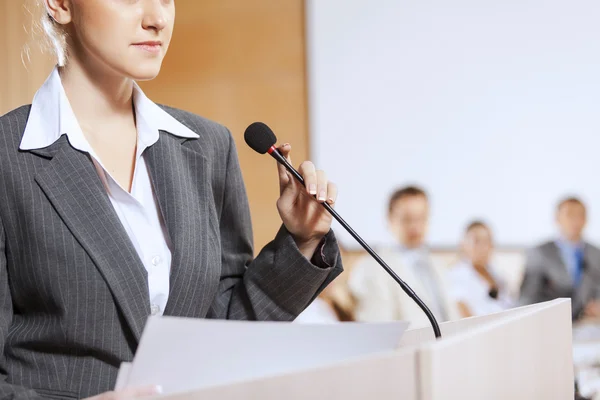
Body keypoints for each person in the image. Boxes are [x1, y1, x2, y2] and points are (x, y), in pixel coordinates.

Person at [0, 1, 343, 398]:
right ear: (60, 5)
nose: (157, 19)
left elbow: (220, 331)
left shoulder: (209, 147)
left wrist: (301, 240)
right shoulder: (9, 158)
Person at [347, 186, 459, 327]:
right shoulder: (371, 268)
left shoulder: (437, 264)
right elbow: (379, 330)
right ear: (390, 219)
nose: (415, 227)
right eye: (407, 219)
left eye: (421, 218)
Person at [519, 197, 600, 320]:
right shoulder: (540, 253)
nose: (576, 220)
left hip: (588, 326)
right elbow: (526, 299)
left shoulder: (595, 253)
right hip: (549, 323)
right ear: (557, 218)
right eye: (570, 215)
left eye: (581, 215)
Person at [447, 221, 513, 318]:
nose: (484, 247)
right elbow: (464, 315)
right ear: (463, 244)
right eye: (477, 241)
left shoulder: (496, 273)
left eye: (488, 241)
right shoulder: (456, 275)